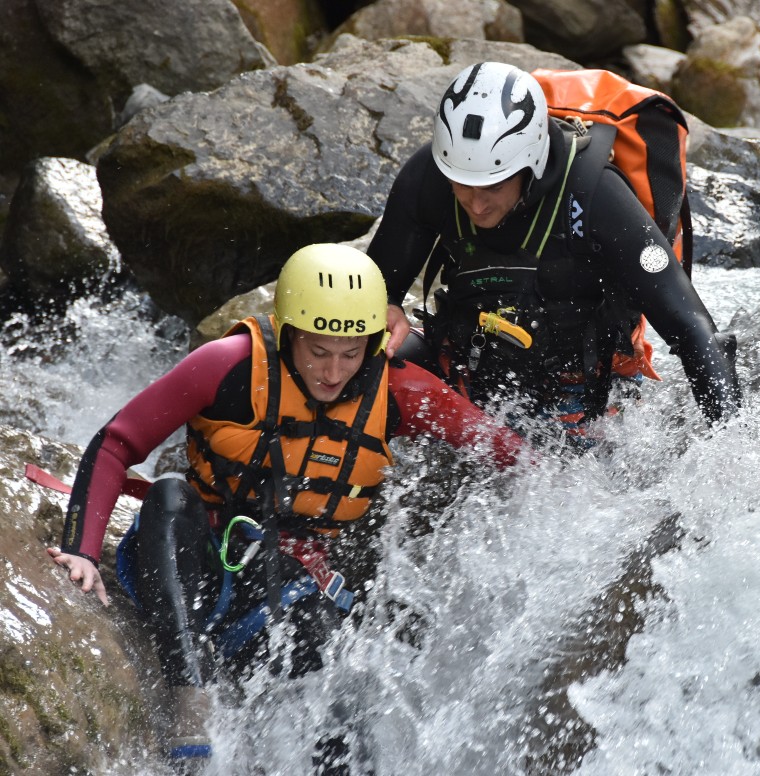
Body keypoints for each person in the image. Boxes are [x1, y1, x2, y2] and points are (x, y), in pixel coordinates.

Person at [46, 243, 528, 772]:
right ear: (291, 333)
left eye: (350, 352)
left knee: (328, 665)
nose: (334, 371)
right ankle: (191, 697)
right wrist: (82, 551)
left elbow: (511, 454)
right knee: (168, 495)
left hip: (282, 582)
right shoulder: (227, 365)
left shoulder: (398, 388)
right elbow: (117, 443)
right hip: (195, 556)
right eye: (319, 351)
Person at [367, 61, 741, 436]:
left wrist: (728, 445)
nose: (476, 204)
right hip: (468, 372)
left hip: (579, 394)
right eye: (462, 185)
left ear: (530, 165)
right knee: (362, 372)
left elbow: (692, 329)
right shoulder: (429, 175)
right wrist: (383, 311)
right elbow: (372, 298)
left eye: (494, 186)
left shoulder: (597, 195)